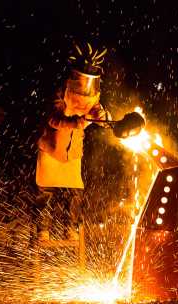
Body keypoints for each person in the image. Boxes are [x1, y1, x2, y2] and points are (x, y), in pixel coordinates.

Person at [34, 44, 110, 241]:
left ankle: (71, 228)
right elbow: (53, 119)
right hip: (52, 148)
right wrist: (76, 122)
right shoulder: (60, 93)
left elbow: (97, 112)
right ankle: (43, 230)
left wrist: (104, 118)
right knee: (46, 193)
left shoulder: (91, 96)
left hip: (73, 151)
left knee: (75, 192)